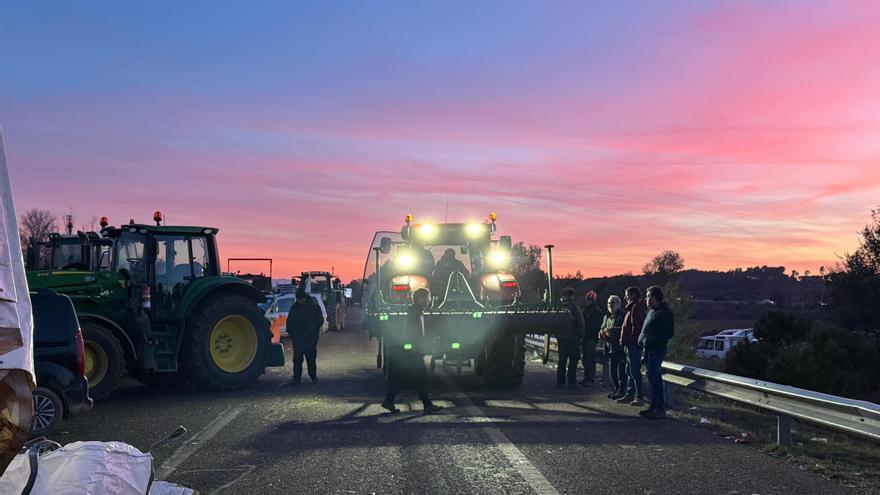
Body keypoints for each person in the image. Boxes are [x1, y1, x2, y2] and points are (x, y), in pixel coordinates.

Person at [381, 288, 443, 414]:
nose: (427, 300)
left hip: (410, 350)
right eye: (425, 297)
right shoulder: (414, 313)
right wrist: (417, 347)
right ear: (419, 299)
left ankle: (389, 401)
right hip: (411, 351)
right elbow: (412, 333)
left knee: (401, 376)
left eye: (428, 297)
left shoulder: (416, 311)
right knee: (421, 377)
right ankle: (427, 404)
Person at [638, 286, 675, 420]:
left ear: (654, 297)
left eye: (648, 296)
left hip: (656, 349)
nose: (646, 299)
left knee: (655, 377)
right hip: (648, 349)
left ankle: (660, 409)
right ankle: (654, 406)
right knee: (652, 379)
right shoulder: (651, 312)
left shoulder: (665, 312)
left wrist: (652, 341)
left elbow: (669, 332)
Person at [286, 288, 325, 385]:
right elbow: (289, 321)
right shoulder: (294, 308)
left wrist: (311, 330)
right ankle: (296, 379)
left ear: (304, 298)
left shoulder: (313, 307)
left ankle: (313, 377)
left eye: (301, 299)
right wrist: (291, 332)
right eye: (298, 299)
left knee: (310, 359)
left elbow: (320, 320)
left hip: (310, 339)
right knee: (297, 360)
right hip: (298, 339)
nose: (299, 301)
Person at [618, 286, 647, 406]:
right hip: (629, 345)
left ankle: (639, 396)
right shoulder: (632, 309)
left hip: (633, 345)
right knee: (629, 371)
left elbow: (637, 327)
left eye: (627, 295)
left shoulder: (636, 308)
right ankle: (630, 394)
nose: (625, 297)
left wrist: (631, 341)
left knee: (634, 371)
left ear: (632, 295)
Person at [599, 295, 627, 399]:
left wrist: (612, 330)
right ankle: (616, 389)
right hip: (609, 347)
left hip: (619, 348)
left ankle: (622, 390)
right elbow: (602, 327)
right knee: (612, 371)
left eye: (613, 303)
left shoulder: (623, 315)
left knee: (621, 372)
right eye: (609, 303)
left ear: (619, 304)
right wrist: (601, 333)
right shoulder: (606, 317)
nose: (610, 305)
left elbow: (625, 329)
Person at [556, 287, 585, 389]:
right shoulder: (574, 307)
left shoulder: (559, 307)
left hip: (561, 338)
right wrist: (581, 336)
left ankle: (560, 381)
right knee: (573, 360)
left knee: (562, 360)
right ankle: (572, 381)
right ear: (571, 296)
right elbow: (580, 323)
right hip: (573, 338)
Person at [579, 291, 603, 386]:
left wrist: (589, 334)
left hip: (591, 338)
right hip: (585, 338)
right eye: (587, 299)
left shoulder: (596, 311)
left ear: (593, 300)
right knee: (585, 359)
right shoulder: (585, 310)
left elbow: (596, 326)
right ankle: (587, 377)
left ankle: (590, 379)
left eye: (589, 299)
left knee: (590, 359)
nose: (587, 301)